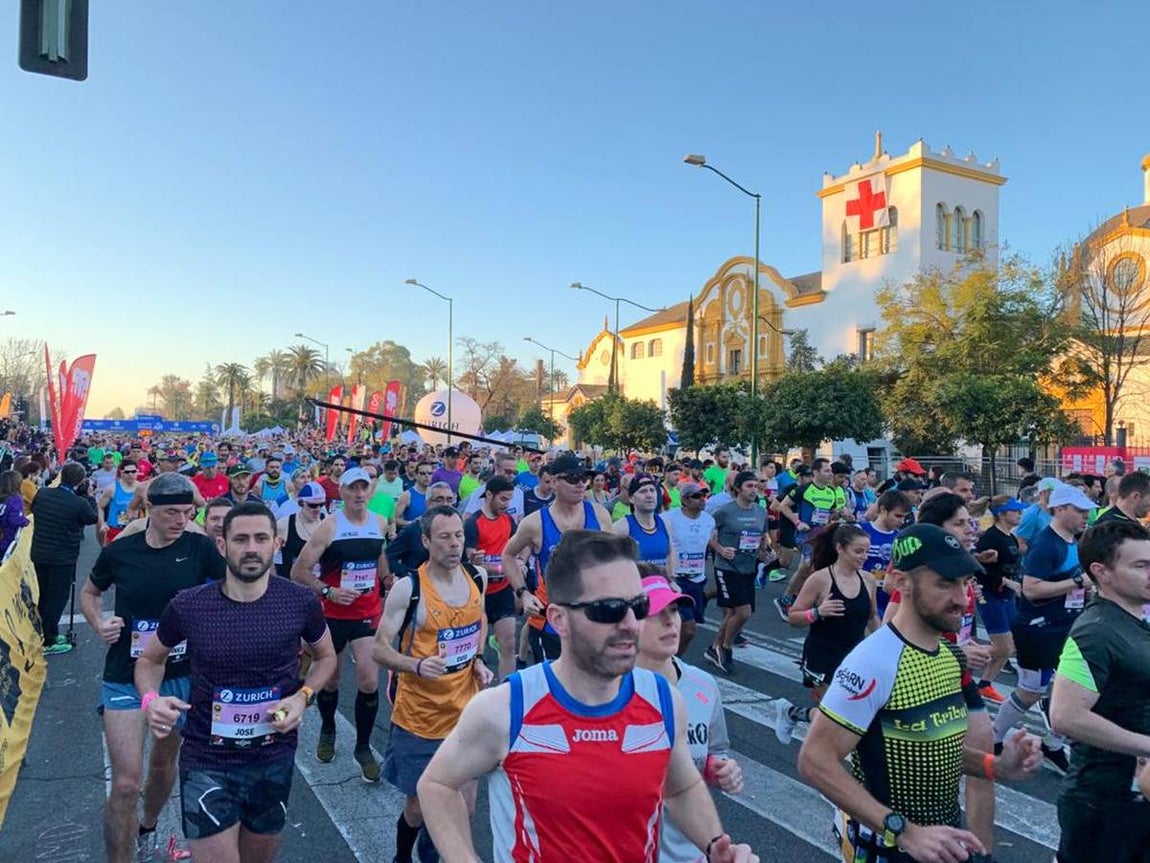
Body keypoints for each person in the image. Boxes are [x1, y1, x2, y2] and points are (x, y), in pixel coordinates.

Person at [417, 530, 759, 862]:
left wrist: (714, 845)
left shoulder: (664, 700)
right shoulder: (505, 709)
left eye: (637, 606)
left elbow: (681, 788)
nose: (629, 623)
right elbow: (437, 785)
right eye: (608, 609)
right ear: (559, 620)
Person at [798, 524, 1043, 863]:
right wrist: (904, 831)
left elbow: (934, 749)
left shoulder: (950, 656)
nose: (961, 598)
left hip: (942, 842)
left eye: (963, 583)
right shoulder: (872, 661)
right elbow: (814, 760)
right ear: (902, 583)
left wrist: (997, 765)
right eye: (944, 583)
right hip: (891, 848)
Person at [135, 502, 337, 863]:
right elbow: (150, 660)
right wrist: (152, 700)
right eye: (240, 539)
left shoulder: (300, 601)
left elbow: (326, 657)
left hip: (273, 756)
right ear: (221, 545)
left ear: (276, 544)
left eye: (261, 539)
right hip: (207, 759)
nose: (251, 548)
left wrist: (303, 696)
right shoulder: (189, 605)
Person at [80, 473, 224, 863]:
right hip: (126, 674)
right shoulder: (122, 550)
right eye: (172, 513)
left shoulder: (201, 549)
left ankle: (147, 826)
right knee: (125, 783)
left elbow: (230, 594)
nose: (181, 520)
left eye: (187, 512)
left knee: (162, 767)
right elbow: (90, 593)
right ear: (149, 511)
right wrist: (98, 623)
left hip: (181, 675)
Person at [373, 505, 492, 863]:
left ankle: (429, 857)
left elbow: (480, 620)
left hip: (466, 715)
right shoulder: (409, 589)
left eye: (458, 536)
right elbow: (380, 648)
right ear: (426, 541)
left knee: (464, 808)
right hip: (421, 718)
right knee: (419, 806)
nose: (455, 544)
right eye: (444, 537)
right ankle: (401, 857)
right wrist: (417, 665)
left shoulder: (478, 576)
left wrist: (479, 659)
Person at [1046, 519, 1150, 860]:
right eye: (1141, 566)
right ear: (1101, 572)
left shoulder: (1135, 618)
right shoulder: (1095, 631)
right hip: (1104, 805)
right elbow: (1065, 716)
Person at [290, 466, 391, 781]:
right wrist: (329, 591)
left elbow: (379, 557)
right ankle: (329, 727)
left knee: (369, 681)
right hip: (332, 615)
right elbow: (299, 572)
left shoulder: (380, 522)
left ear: (369, 491)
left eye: (364, 488)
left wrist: (387, 579)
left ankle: (362, 747)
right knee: (330, 682)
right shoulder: (329, 527)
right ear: (342, 492)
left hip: (367, 613)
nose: (359, 494)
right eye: (353, 489)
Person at [636, 571, 745, 862]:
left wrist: (718, 768)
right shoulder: (606, 693)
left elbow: (716, 750)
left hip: (689, 852)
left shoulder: (702, 685)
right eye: (655, 612)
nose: (671, 621)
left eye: (673, 610)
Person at [992, 481, 1096, 776]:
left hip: (1067, 625)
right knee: (1030, 691)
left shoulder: (1072, 540)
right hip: (1039, 629)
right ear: (1060, 509)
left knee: (1076, 688)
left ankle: (1053, 743)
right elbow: (1031, 589)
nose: (1085, 516)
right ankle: (995, 737)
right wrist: (1077, 583)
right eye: (1079, 510)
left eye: (1087, 511)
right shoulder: (1046, 542)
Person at [501, 453, 612, 663]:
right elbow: (507, 555)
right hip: (550, 620)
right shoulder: (535, 523)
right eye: (572, 479)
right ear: (553, 482)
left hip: (592, 618)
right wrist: (524, 594)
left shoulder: (599, 515)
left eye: (584, 478)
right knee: (553, 689)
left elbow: (612, 561)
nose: (580, 484)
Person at [773, 524, 879, 743]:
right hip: (822, 655)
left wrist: (886, 646)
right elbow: (793, 617)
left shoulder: (867, 580)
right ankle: (815, 748)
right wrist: (817, 612)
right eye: (858, 551)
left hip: (853, 658)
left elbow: (871, 618)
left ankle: (793, 713)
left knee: (845, 715)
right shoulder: (821, 579)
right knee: (835, 717)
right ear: (840, 548)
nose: (864, 557)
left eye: (867, 551)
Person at [31, 462, 99, 655]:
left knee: (44, 594)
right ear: (80, 481)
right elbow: (92, 518)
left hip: (39, 552)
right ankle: (49, 639)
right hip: (62, 557)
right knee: (57, 598)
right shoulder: (79, 503)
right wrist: (90, 496)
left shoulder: (42, 493)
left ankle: (44, 632)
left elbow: (35, 509)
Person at [705, 471, 768, 674]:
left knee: (733, 613)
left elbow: (761, 535)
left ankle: (713, 647)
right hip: (727, 567)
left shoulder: (760, 512)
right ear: (738, 488)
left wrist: (763, 551)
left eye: (756, 486)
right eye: (749, 486)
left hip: (748, 567)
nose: (753, 490)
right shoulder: (724, 511)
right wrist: (721, 549)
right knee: (743, 612)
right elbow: (709, 534)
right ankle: (725, 647)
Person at [463, 476, 519, 682]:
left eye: (509, 499)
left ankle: (507, 691)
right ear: (489, 495)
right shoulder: (473, 523)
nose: (507, 504)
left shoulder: (508, 520)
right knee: (476, 651)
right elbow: (470, 562)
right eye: (503, 499)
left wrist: (520, 560)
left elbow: (519, 546)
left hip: (503, 589)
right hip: (480, 592)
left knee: (509, 644)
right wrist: (500, 566)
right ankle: (480, 696)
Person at [973, 496, 1025, 703]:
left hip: (1008, 597)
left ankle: (984, 685)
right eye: (1015, 511)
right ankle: (959, 653)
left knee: (1010, 646)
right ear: (1001, 514)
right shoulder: (990, 538)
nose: (1020, 514)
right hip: (990, 595)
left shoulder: (1011, 537)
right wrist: (1005, 581)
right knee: (1003, 647)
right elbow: (980, 570)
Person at [663, 481, 716, 655]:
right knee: (688, 629)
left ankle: (673, 660)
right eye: (696, 496)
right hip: (676, 579)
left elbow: (709, 541)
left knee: (687, 629)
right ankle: (671, 661)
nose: (702, 499)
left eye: (704, 496)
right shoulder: (668, 518)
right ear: (685, 500)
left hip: (697, 579)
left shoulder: (709, 520)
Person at [614, 472, 675, 574]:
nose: (649, 495)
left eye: (652, 490)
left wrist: (672, 580)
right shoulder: (622, 528)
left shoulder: (665, 524)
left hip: (661, 586)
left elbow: (670, 553)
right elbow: (613, 564)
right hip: (636, 588)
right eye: (643, 491)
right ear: (631, 498)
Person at [276, 481, 326, 578]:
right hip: (292, 585)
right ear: (301, 503)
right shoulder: (283, 525)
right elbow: (271, 560)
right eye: (313, 505)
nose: (318, 509)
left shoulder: (327, 522)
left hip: (320, 585)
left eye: (321, 504)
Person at [97, 458, 141, 545]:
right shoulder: (112, 488)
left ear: (137, 472)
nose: (130, 474)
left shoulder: (142, 489)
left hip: (135, 531)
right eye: (127, 472)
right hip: (115, 531)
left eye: (133, 471)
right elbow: (100, 507)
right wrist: (102, 523)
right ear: (121, 473)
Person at [0, 468, 29, 554]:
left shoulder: (2, 498)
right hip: (7, 540)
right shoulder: (15, 499)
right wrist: (26, 521)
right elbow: (14, 520)